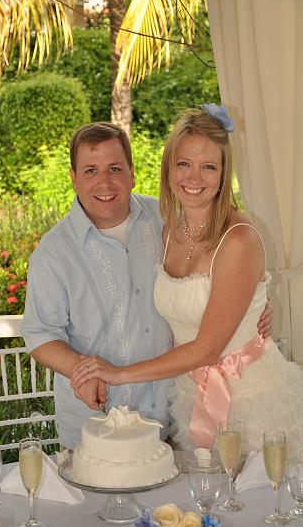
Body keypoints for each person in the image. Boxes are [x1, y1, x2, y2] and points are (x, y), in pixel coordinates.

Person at [22, 120, 271, 451]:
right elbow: (40, 335)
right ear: (73, 177)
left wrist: (251, 309)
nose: (105, 182)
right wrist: (83, 370)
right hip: (97, 425)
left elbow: (218, 269)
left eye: (114, 168)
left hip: (171, 418)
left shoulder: (166, 220)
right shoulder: (53, 253)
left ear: (132, 172)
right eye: (90, 171)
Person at [71, 107, 303, 455]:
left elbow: (208, 348)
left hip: (254, 399)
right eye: (184, 164)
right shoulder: (165, 230)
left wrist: (118, 374)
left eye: (208, 166)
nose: (194, 177)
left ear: (224, 175)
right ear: (168, 168)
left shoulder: (239, 239)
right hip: (190, 395)